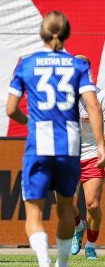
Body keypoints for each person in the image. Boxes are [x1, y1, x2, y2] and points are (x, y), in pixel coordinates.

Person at [6, 11, 105, 267]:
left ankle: (44, 262)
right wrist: (102, 143)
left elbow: (10, 110)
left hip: (39, 144)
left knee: (34, 212)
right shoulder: (78, 66)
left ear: (42, 33)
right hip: (69, 146)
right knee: (65, 207)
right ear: (67, 34)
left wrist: (28, 122)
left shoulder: (27, 64)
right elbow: (94, 106)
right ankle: (62, 264)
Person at [70, 55, 105, 260]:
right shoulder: (65, 97)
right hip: (69, 155)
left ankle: (91, 244)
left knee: (92, 204)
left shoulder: (100, 97)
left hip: (93, 154)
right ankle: (78, 227)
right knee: (64, 202)